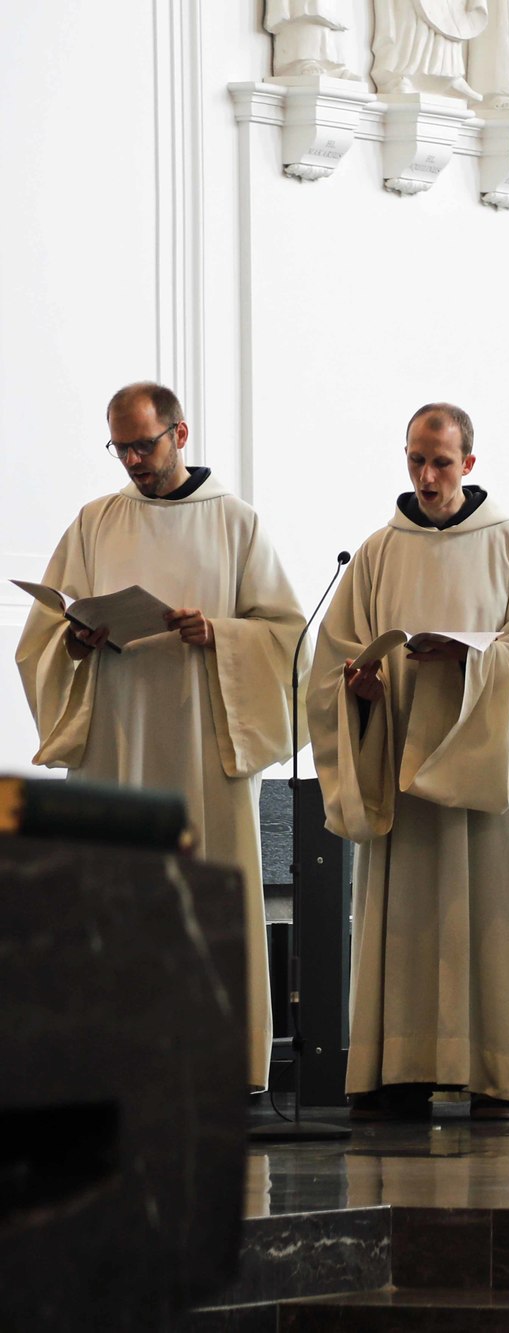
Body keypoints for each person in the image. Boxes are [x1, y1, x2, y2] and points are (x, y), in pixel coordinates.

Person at [16, 382, 303, 1093]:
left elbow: (286, 637)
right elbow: (44, 637)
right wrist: (76, 641)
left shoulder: (235, 523)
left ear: (180, 433)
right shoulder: (95, 522)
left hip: (203, 738)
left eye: (143, 445)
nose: (132, 461)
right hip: (117, 738)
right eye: (120, 448)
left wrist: (220, 633)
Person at [308, 403, 509, 1121]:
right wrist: (360, 691)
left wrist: (471, 658)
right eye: (416, 461)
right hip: (405, 771)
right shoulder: (376, 553)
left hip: (486, 773)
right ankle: (402, 1070)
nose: (426, 477)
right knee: (410, 928)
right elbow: (334, 661)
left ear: (469, 463)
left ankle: (498, 1077)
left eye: (441, 463)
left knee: (495, 925)